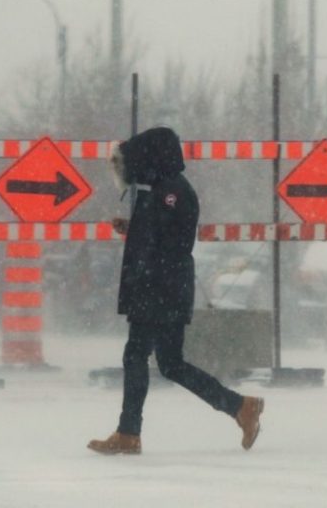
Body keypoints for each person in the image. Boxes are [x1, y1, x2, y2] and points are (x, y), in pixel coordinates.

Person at [87, 127, 264, 455]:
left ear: (152, 157)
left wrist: (141, 233)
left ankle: (129, 433)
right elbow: (166, 235)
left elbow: (166, 241)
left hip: (160, 286)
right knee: (170, 363)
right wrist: (134, 228)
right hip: (165, 285)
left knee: (137, 355)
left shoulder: (170, 192)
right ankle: (240, 407)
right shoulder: (165, 189)